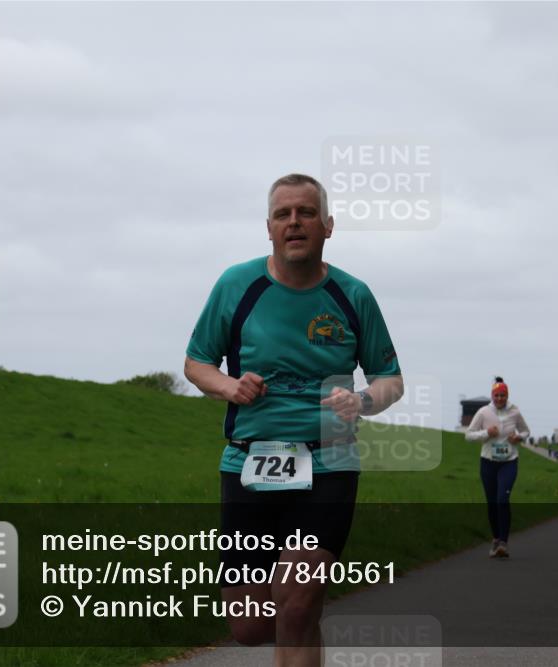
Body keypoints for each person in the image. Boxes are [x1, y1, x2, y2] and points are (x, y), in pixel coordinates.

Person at [184, 173, 404, 665]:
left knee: (297, 598)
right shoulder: (236, 285)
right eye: (283, 214)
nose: (295, 222)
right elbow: (196, 362)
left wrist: (363, 401)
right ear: (269, 228)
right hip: (249, 463)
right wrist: (229, 386)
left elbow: (391, 378)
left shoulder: (353, 295)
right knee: (250, 625)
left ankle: (304, 611)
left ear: (328, 225)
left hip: (328, 461)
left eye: (306, 212)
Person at [466, 377, 531, 557]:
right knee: (492, 502)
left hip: (509, 461)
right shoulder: (483, 412)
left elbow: (526, 431)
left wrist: (519, 437)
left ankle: (503, 542)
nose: (500, 398)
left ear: (507, 395)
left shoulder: (515, 412)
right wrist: (487, 432)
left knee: (503, 499)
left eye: (503, 395)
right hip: (488, 462)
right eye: (497, 395)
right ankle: (495, 538)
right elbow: (469, 435)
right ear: (492, 396)